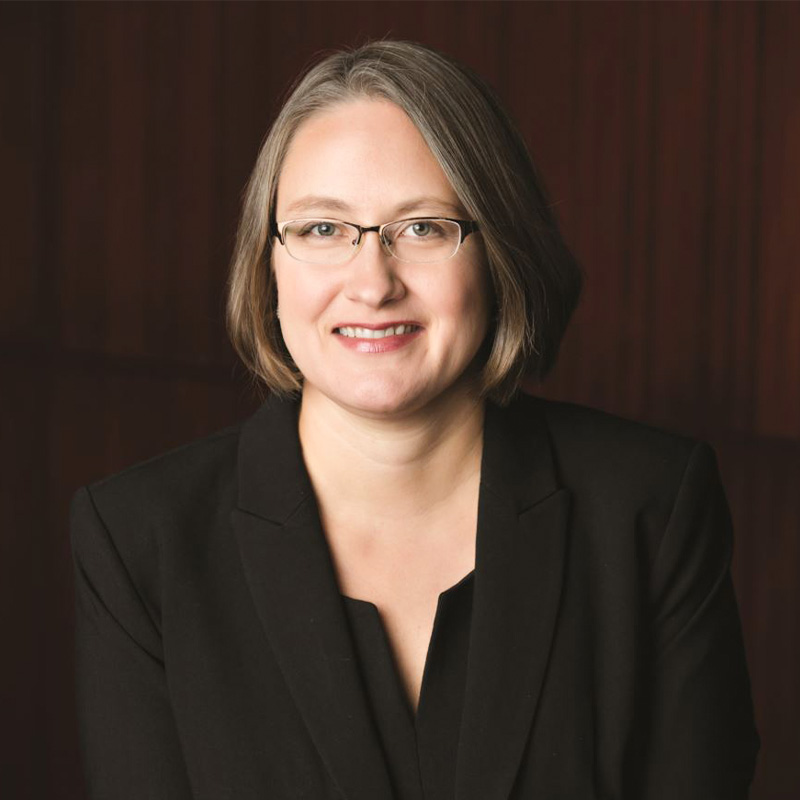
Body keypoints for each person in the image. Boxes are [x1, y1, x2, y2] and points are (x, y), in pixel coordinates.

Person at [70, 39, 760, 800]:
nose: (373, 284)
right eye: (323, 229)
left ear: (498, 251)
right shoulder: (139, 539)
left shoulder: (650, 509)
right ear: (268, 263)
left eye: (424, 227)